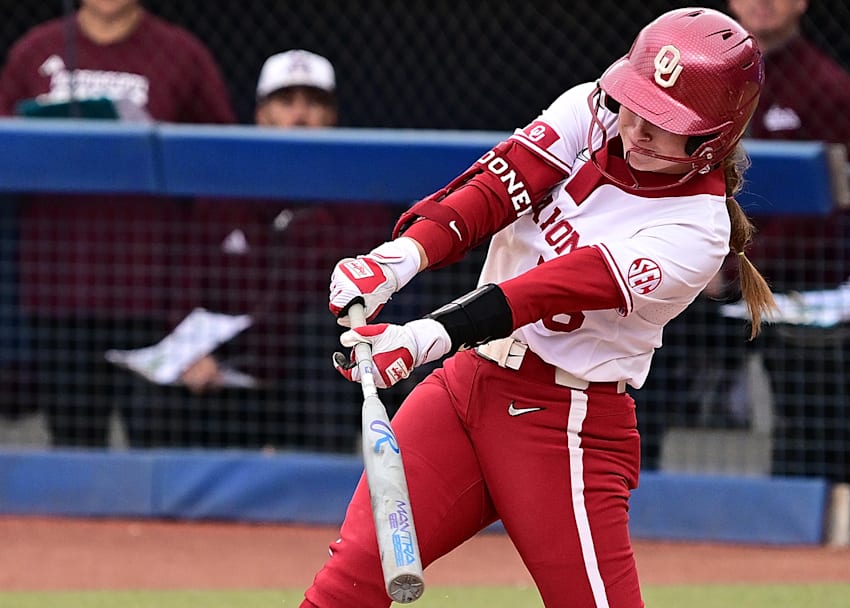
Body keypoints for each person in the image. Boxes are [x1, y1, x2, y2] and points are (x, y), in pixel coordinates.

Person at [302, 8, 775, 607]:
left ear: (713, 141)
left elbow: (547, 289)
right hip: (466, 387)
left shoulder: (695, 228)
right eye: (635, 103)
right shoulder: (591, 110)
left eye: (663, 122)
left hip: (565, 424)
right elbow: (496, 189)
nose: (637, 129)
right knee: (351, 579)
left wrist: (424, 337)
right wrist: (398, 259)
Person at [634, 0, 850, 477]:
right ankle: (628, 493)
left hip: (790, 283)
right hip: (696, 275)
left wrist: (731, 265)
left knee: (810, 395)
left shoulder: (830, 87)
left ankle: (804, 511)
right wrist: (695, 260)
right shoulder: (691, 74)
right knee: (631, 348)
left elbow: (827, 216)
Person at [122, 50, 389, 451]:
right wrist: (194, 356)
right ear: (261, 114)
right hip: (227, 377)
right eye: (286, 103)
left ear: (332, 117)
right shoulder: (222, 194)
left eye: (314, 103)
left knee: (327, 337)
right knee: (153, 396)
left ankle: (324, 490)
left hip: (306, 381)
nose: (300, 116)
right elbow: (185, 287)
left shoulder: (359, 199)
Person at [0, 0, 236, 447]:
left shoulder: (181, 54)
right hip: (60, 293)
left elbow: (220, 169)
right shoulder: (34, 52)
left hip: (154, 296)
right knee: (74, 446)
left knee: (159, 448)